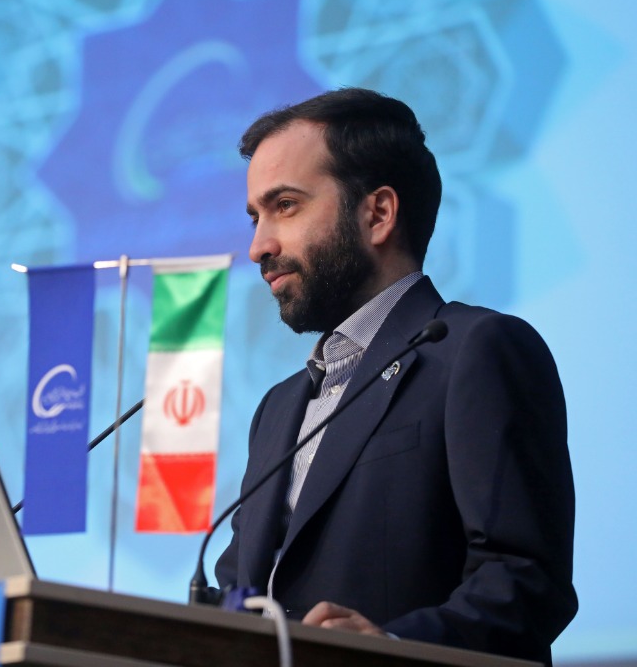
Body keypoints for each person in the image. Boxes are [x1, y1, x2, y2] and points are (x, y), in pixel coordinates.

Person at [214, 88, 577, 662]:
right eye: (256, 217)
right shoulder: (278, 408)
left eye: (285, 205)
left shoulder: (476, 350)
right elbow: (238, 595)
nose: (259, 246)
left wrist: (392, 648)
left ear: (378, 214)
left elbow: (525, 581)